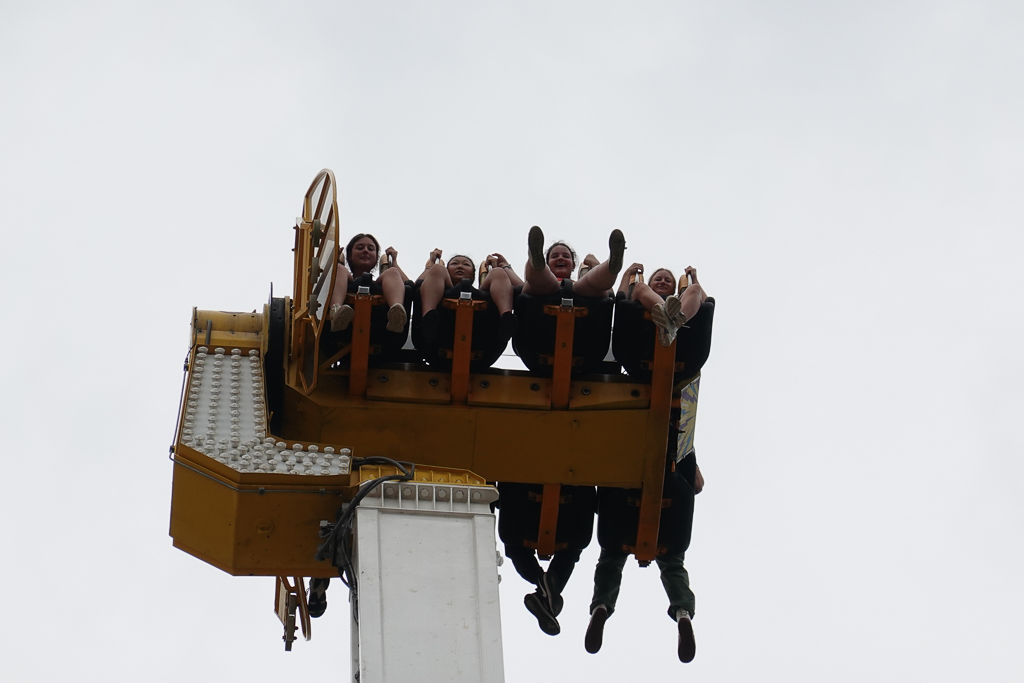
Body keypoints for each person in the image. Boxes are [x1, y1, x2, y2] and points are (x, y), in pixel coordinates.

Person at [415, 250, 521, 343]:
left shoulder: (483, 292)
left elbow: (521, 288)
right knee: (437, 268)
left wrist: (502, 267)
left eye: (466, 264)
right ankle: (428, 319)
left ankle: (506, 318)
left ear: (473, 275)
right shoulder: (439, 273)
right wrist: (431, 265)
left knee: (497, 272)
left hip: (484, 332)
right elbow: (416, 286)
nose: (460, 266)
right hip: (439, 332)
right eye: (454, 263)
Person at [327, 233, 410, 334]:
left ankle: (396, 313)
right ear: (350, 256)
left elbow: (410, 286)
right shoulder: (341, 272)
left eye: (370, 249)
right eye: (360, 248)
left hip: (380, 326)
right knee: (339, 269)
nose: (365, 251)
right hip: (344, 329)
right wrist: (332, 261)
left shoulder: (386, 278)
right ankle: (335, 312)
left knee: (392, 272)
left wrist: (394, 264)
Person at [616, 264, 707, 347]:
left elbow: (707, 304)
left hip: (681, 344)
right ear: (650, 285)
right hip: (641, 338)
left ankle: (676, 320)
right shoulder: (639, 291)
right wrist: (627, 274)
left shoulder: (682, 301)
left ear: (674, 289)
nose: (663, 282)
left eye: (668, 281)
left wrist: (694, 279)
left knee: (695, 288)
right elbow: (621, 299)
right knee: (639, 286)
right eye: (658, 279)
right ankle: (670, 319)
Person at [522, 225, 625, 298]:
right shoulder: (539, 280)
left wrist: (595, 264)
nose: (560, 258)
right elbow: (529, 279)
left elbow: (610, 293)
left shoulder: (578, 284)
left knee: (586, 283)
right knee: (547, 283)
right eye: (555, 256)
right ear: (547, 264)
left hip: (580, 297)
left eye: (566, 256)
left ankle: (611, 265)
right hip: (543, 290)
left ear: (573, 265)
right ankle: (535, 259)